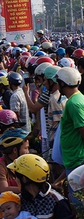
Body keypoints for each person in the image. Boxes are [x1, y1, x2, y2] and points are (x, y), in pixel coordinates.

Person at [7, 154, 74, 218]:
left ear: (24, 179)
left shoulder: (57, 201)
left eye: (16, 177)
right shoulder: (20, 200)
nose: (15, 180)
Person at [55, 67, 84, 207]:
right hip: (72, 159)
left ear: (62, 83)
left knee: (78, 203)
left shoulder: (73, 103)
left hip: (76, 159)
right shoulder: (76, 99)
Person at [0, 129, 30, 201]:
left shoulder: (24, 163)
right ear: (15, 150)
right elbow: (4, 189)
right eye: (26, 148)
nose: (28, 152)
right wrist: (28, 189)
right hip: (4, 207)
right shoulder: (0, 165)